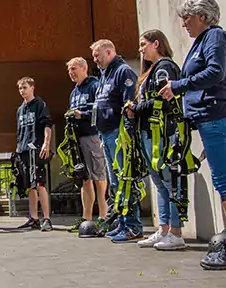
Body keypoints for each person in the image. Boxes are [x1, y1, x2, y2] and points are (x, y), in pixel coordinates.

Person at [158, 0, 226, 270]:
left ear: (202, 16)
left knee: (224, 184)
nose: (184, 24)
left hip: (216, 118)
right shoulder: (204, 41)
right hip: (208, 119)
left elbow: (215, 72)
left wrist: (178, 86)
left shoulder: (215, 38)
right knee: (223, 182)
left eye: (187, 18)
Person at [127, 30, 186, 251]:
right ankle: (163, 229)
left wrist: (136, 108)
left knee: (169, 181)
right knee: (160, 184)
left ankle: (176, 232)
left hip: (161, 131)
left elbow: (161, 98)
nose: (140, 49)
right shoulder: (151, 70)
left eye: (144, 44)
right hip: (148, 132)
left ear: (156, 43)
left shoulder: (165, 67)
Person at [91, 39, 143, 243]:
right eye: (94, 57)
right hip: (106, 134)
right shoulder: (104, 74)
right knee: (115, 183)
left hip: (119, 135)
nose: (95, 60)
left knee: (125, 180)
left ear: (110, 52)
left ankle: (133, 226)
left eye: (98, 56)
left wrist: (128, 135)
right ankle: (121, 222)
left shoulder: (123, 71)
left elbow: (129, 104)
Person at [65, 57, 108, 233]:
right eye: (69, 70)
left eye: (74, 69)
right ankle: (86, 218)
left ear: (84, 68)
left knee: (99, 177)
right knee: (85, 179)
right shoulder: (74, 92)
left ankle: (104, 217)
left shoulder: (94, 85)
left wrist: (81, 114)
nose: (71, 73)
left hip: (93, 136)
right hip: (78, 139)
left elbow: (101, 110)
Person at [15, 77, 54, 232]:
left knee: (39, 184)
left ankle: (46, 218)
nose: (22, 91)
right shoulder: (20, 109)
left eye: (24, 87)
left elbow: (47, 124)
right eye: (20, 88)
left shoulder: (39, 105)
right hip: (24, 150)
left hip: (36, 148)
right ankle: (33, 218)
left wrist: (46, 143)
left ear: (32, 87)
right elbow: (19, 131)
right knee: (30, 186)